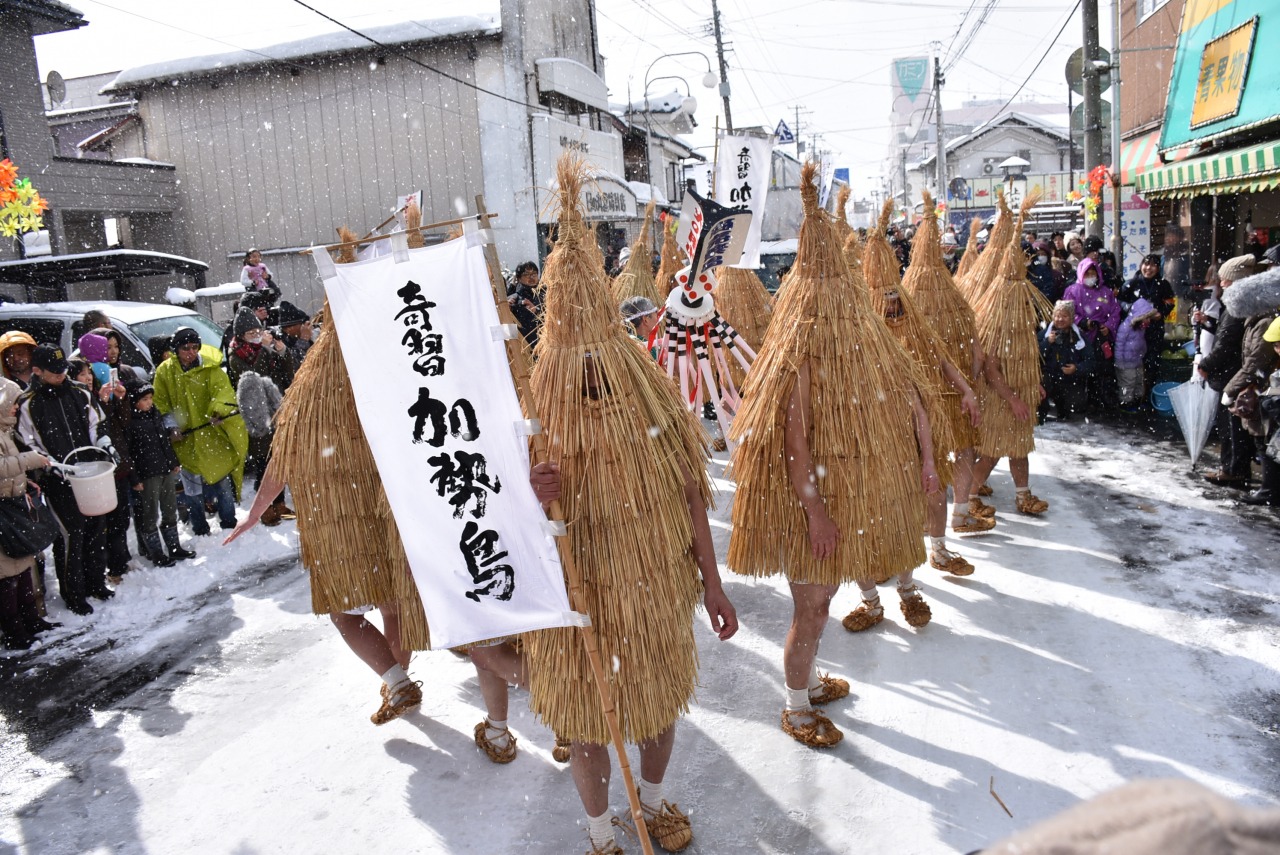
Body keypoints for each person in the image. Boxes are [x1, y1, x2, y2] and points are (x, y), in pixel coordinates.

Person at [524, 158, 738, 855]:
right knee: (586, 717)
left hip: (652, 582)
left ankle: (647, 801)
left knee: (655, 701)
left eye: (597, 370)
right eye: (578, 369)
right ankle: (597, 832)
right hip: (574, 590)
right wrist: (534, 497)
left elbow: (690, 495)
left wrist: (712, 581)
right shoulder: (534, 409)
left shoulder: (649, 395)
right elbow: (505, 518)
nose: (590, 382)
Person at [730, 170, 936, 753]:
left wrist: (919, 468)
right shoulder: (797, 360)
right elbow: (797, 453)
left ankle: (809, 680)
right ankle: (795, 706)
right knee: (813, 606)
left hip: (844, 499)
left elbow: (907, 405)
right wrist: (816, 512)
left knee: (821, 604)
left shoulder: (866, 350)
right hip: (808, 507)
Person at [17, 344, 117, 615]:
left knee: (96, 526)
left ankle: (96, 582)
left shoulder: (79, 392)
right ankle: (73, 593)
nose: (61, 375)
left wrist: (105, 444)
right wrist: (50, 465)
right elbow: (27, 443)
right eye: (54, 371)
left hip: (90, 471)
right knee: (72, 533)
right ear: (37, 371)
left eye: (63, 369)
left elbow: (97, 423)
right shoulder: (28, 403)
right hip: (58, 479)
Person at [152, 327, 248, 532]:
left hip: (212, 435)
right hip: (185, 439)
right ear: (175, 349)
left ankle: (229, 521)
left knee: (222, 480)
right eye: (185, 348)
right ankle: (199, 526)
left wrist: (219, 412)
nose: (191, 352)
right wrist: (172, 427)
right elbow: (161, 403)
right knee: (191, 486)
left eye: (195, 347)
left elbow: (223, 393)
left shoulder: (211, 368)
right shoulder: (164, 372)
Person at [0, 377, 55, 649]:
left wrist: (24, 480)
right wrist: (30, 460)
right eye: (12, 404)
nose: (15, 409)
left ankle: (31, 620)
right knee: (7, 576)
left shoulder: (6, 431)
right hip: (4, 513)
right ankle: (14, 631)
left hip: (14, 507)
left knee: (23, 569)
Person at [1198, 255, 1259, 487]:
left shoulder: (1237, 308)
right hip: (1233, 372)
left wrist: (1206, 365)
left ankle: (1233, 469)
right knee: (1233, 425)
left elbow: (1225, 345)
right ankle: (1234, 467)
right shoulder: (1237, 306)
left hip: (1231, 374)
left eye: (1225, 280)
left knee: (1231, 426)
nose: (1221, 284)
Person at [1221, 264, 1280, 499]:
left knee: (1263, 440)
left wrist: (1232, 389)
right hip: (1261, 386)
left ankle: (1269, 490)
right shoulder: (1254, 322)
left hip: (1262, 387)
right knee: (1261, 439)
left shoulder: (1264, 323)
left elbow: (1255, 361)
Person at [125, 383, 195, 566]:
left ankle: (174, 547)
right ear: (135, 402)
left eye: (150, 399)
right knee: (149, 514)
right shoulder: (131, 422)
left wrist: (173, 462)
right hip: (147, 473)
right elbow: (128, 453)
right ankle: (155, 552)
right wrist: (134, 478)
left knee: (170, 509)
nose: (149, 403)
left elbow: (164, 441)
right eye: (145, 400)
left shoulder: (155, 415)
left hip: (164, 469)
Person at [1063, 257, 1121, 412]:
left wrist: (1108, 326)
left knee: (1102, 370)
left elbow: (1115, 312)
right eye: (1086, 273)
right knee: (1081, 369)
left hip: (1101, 337)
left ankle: (1100, 401)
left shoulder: (1106, 292)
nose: (1090, 276)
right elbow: (1067, 312)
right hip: (1080, 336)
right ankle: (1080, 402)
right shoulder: (1072, 291)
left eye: (1092, 273)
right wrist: (1083, 322)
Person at [1119, 254, 1175, 396]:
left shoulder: (1163, 284)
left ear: (1158, 268)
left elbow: (1170, 302)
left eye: (1153, 265)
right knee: (1135, 364)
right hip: (1135, 332)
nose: (1148, 268)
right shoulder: (1131, 283)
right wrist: (1132, 310)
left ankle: (1149, 394)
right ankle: (1134, 395)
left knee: (1152, 363)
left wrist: (1161, 313)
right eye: (1146, 264)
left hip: (1154, 330)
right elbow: (1120, 302)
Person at [1039, 300, 1095, 421]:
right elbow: (1035, 355)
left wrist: (1076, 368)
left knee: (1075, 409)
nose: (1060, 319)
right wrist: (1047, 343)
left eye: (1064, 316)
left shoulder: (1078, 336)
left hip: (1070, 379)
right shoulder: (1044, 334)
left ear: (1071, 318)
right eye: (1057, 316)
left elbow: (1090, 360)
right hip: (1048, 378)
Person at [1114, 296, 1158, 411]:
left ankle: (1137, 400)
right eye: (1146, 318)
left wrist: (1142, 353)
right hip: (1126, 363)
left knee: (1139, 381)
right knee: (1128, 383)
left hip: (1137, 360)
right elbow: (1119, 345)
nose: (1148, 321)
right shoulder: (1125, 327)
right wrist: (1119, 362)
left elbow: (1141, 343)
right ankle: (1126, 403)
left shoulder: (1140, 328)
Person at [507, 261, 542, 349]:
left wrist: (537, 311)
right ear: (518, 278)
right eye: (526, 274)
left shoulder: (547, 295)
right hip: (523, 350)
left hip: (546, 350)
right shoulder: (513, 299)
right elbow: (507, 332)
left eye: (534, 274)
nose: (531, 277)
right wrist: (506, 313)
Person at [1162, 224, 1192, 323]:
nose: (1168, 238)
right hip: (1167, 295)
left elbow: (1189, 274)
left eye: (1171, 235)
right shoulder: (1165, 255)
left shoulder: (1186, 254)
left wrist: (1186, 291)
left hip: (1182, 296)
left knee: (1181, 324)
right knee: (1169, 324)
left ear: (1179, 237)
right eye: (1167, 236)